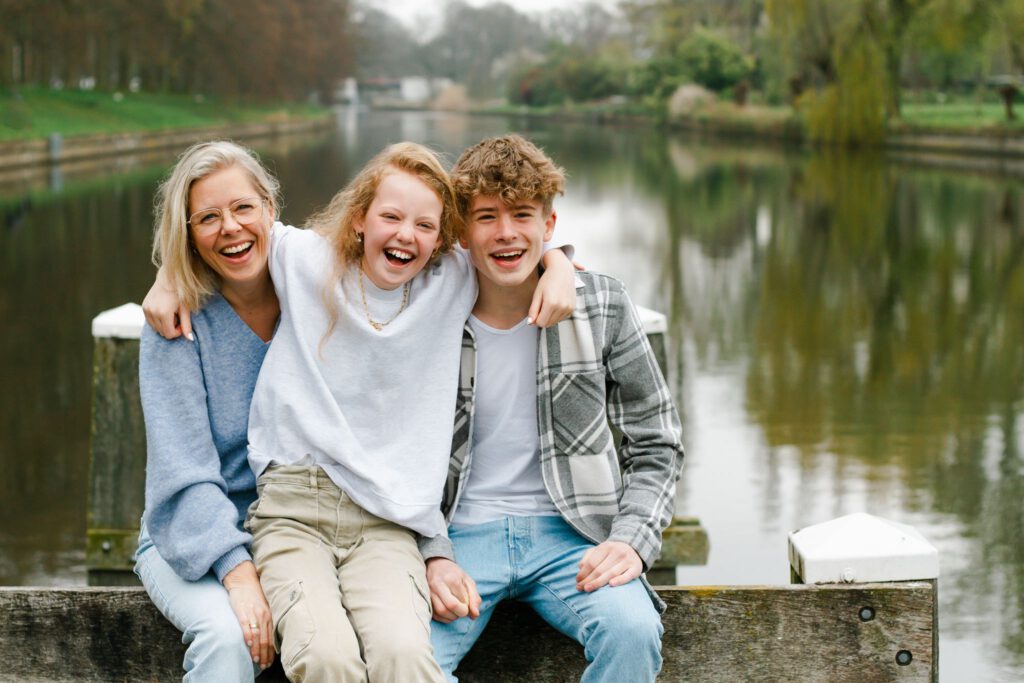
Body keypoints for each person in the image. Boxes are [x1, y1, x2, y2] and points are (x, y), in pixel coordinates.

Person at [145, 141, 577, 682]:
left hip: (385, 520)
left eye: (424, 224)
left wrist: (560, 265)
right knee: (326, 657)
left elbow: (513, 250)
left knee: (404, 656)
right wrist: (167, 280)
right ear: (358, 221)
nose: (404, 234)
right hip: (291, 508)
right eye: (390, 217)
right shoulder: (305, 262)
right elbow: (221, 237)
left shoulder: (452, 282)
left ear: (444, 238)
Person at [419, 134, 685, 683]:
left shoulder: (603, 304)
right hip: (458, 537)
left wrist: (632, 539)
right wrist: (427, 552)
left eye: (522, 214)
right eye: (486, 216)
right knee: (402, 661)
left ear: (550, 226)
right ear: (461, 229)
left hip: (574, 536)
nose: (506, 232)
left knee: (632, 633)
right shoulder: (425, 306)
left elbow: (656, 443)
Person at [135, 140, 279, 681]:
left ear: (270, 208)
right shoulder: (177, 327)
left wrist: (552, 260)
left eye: (243, 207)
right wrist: (238, 573)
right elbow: (184, 473)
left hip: (295, 531)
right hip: (191, 536)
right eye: (207, 218)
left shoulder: (314, 294)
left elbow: (419, 252)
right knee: (228, 637)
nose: (231, 228)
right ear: (189, 234)